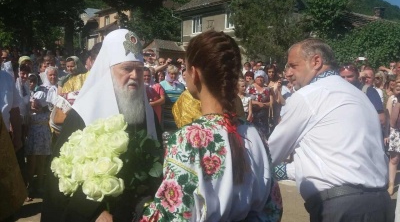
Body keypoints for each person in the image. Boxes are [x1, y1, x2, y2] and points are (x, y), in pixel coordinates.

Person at [141, 30, 282, 222]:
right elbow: (272, 209)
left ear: (194, 73)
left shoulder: (188, 139)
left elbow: (174, 215)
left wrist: (140, 207)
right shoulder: (255, 135)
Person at [41, 29, 163, 222]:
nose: (134, 75)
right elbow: (61, 176)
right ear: (108, 70)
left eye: (139, 69)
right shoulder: (83, 114)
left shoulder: (147, 115)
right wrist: (94, 211)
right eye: (127, 68)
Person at [268, 38, 391, 222]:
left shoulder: (307, 96)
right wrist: (283, 171)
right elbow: (336, 160)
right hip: (380, 204)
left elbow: (270, 155)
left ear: (316, 62)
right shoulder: (359, 96)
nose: (289, 73)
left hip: (340, 208)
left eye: (293, 65)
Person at [246, 70, 274, 140]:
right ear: (255, 78)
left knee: (263, 136)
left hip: (263, 116)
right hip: (252, 114)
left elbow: (271, 103)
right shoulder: (250, 87)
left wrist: (263, 105)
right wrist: (257, 103)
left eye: (262, 77)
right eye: (258, 77)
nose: (260, 79)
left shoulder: (267, 89)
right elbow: (245, 99)